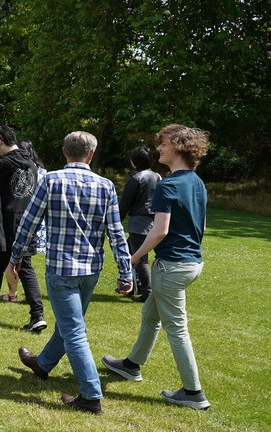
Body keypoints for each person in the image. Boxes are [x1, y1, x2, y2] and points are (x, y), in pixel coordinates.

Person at [9, 131, 133, 415]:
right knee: (70, 323)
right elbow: (116, 233)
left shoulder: (50, 180)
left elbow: (29, 223)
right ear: (91, 155)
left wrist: (15, 257)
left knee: (74, 331)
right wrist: (126, 272)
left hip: (62, 269)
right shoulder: (106, 186)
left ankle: (90, 396)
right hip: (90, 270)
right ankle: (42, 365)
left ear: (65, 152)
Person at [102, 125, 211, 410]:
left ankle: (193, 392)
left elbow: (159, 230)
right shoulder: (196, 182)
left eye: (163, 145)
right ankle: (131, 365)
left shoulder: (169, 185)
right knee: (151, 315)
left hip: (172, 267)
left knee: (177, 329)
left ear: (178, 146)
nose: (158, 149)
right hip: (191, 264)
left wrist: (134, 257)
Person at [0, 126, 46, 332]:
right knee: (24, 267)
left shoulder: (5, 162)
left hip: (5, 222)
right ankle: (36, 315)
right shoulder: (30, 163)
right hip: (26, 221)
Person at [0, 139, 47, 303]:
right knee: (24, 262)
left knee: (18, 261)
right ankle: (27, 298)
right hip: (38, 222)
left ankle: (14, 295)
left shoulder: (18, 169)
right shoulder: (43, 172)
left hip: (19, 219)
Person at [115, 146, 162, 302]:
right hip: (155, 220)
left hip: (139, 222)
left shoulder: (136, 178)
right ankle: (134, 285)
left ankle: (147, 291)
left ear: (134, 161)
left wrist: (116, 223)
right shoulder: (157, 176)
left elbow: (125, 203)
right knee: (130, 251)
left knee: (139, 257)